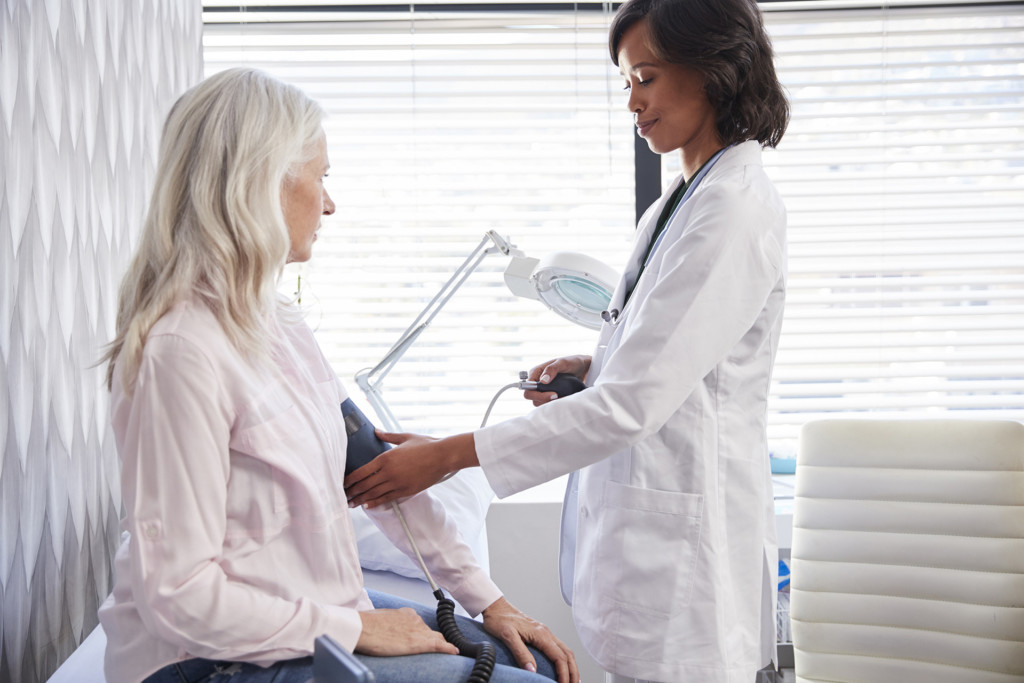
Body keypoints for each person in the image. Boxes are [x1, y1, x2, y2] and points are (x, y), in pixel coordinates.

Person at [343, 0, 790, 681]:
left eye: (646, 77)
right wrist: (598, 361)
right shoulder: (680, 201)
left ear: (713, 71)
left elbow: (632, 404)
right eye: (625, 84)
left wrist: (447, 457)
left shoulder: (732, 207)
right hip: (647, 545)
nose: (633, 103)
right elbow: (671, 359)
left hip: (687, 563)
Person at [98, 67, 579, 683]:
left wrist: (491, 602)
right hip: (207, 661)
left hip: (313, 615)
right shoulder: (180, 351)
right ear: (262, 182)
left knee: (532, 660)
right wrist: (358, 629)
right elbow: (178, 597)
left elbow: (374, 473)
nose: (329, 201)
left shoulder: (278, 325)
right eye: (321, 177)